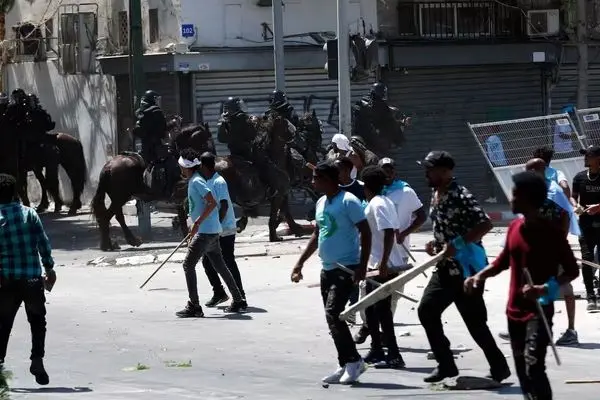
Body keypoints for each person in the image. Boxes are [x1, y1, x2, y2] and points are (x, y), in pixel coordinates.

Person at [465, 171, 579, 400]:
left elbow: (572, 270)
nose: (511, 198)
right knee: (522, 372)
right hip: (513, 311)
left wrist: (546, 288)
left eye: (515, 194)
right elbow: (503, 261)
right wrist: (479, 276)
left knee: (534, 367)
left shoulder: (551, 233)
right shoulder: (515, 227)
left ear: (529, 198)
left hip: (538, 312)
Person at [416, 150, 510, 383]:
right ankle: (446, 364)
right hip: (446, 267)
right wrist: (435, 243)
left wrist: (456, 244)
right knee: (427, 310)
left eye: (431, 169)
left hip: (466, 269)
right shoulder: (436, 192)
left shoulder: (461, 194)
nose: (426, 173)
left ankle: (499, 367)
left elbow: (485, 224)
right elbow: (445, 227)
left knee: (475, 322)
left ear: (446, 172)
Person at [291, 160, 371, 385]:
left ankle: (355, 361)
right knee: (332, 318)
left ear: (328, 179)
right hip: (327, 269)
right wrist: (300, 263)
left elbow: (366, 231)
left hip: (346, 268)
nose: (313, 181)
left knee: (333, 313)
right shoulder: (321, 203)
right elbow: (318, 235)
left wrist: (363, 266)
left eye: (316, 177)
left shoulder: (349, 201)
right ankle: (345, 362)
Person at [354, 157, 426, 345]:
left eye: (390, 169)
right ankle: (370, 328)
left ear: (395, 171)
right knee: (368, 299)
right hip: (375, 256)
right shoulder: (379, 197)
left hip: (394, 255)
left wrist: (403, 233)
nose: (387, 173)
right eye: (383, 169)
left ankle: (384, 339)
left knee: (388, 299)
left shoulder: (404, 192)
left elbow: (419, 216)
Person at [0, 173, 56, 386]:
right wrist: (50, 269)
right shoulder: (29, 214)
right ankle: (37, 359)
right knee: (37, 322)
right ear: (15, 192)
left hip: (6, 280)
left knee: (3, 324)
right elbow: (43, 243)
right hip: (32, 279)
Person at [176, 149, 245, 317]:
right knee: (219, 265)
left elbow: (212, 203)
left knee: (188, 265)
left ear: (187, 167)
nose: (181, 170)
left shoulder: (197, 181)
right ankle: (238, 299)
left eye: (182, 167)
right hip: (212, 230)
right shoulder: (196, 180)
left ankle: (194, 306)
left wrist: (197, 223)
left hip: (206, 231)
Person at [360, 166, 406, 369]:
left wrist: (384, 261)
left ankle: (394, 355)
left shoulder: (378, 204)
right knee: (370, 310)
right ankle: (377, 350)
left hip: (383, 267)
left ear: (365, 185)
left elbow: (388, 232)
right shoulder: (383, 201)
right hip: (375, 265)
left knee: (383, 312)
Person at [197, 152, 247, 309]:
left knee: (228, 261)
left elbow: (224, 206)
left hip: (224, 228)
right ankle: (219, 292)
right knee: (207, 262)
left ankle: (241, 298)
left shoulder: (218, 182)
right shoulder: (209, 181)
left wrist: (216, 225)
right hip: (216, 228)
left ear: (203, 166)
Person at [218, 97, 288, 198]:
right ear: (237, 107)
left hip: (233, 154)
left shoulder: (225, 121)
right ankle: (271, 189)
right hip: (247, 153)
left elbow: (221, 139)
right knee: (266, 165)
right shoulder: (243, 119)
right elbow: (252, 135)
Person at [571, 145, 600, 311]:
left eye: (589, 155)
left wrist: (599, 207)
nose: (585, 158)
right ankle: (590, 296)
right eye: (585, 155)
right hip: (585, 225)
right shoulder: (579, 177)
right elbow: (573, 197)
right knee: (587, 259)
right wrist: (576, 206)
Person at [133, 90, 167, 164]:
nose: (158, 101)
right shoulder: (156, 111)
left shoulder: (141, 111)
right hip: (155, 148)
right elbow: (163, 130)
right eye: (156, 99)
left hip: (142, 145)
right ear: (152, 99)